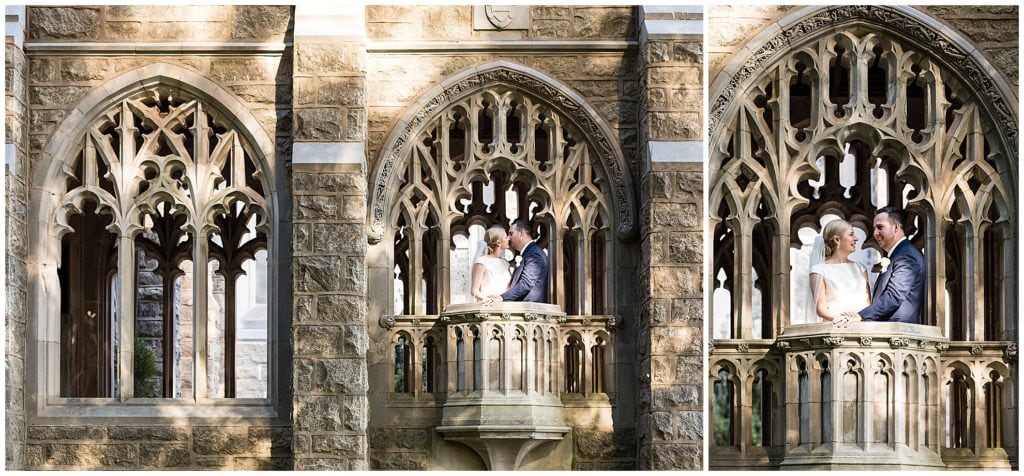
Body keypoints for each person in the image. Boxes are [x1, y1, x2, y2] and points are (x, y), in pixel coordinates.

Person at [836, 207, 925, 325]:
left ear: (896, 227)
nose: (875, 233)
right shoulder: (898, 254)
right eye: (874, 228)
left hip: (897, 332)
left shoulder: (907, 256)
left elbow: (894, 295)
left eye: (880, 227)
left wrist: (861, 316)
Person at [805, 219, 871, 324]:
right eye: (851, 234)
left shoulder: (860, 268)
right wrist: (843, 319)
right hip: (835, 326)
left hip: (861, 326)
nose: (856, 239)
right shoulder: (818, 270)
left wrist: (858, 317)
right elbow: (821, 308)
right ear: (837, 240)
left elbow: (868, 304)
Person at [491, 219, 549, 303]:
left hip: (530, 309)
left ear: (521, 233)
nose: (509, 238)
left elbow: (526, 283)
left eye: (511, 234)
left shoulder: (534, 254)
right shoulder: (529, 252)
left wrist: (502, 297)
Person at [470, 226, 512, 302]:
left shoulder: (505, 263)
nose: (509, 238)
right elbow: (474, 291)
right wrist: (490, 300)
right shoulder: (481, 262)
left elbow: (509, 287)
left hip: (505, 305)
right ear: (498, 243)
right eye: (506, 237)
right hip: (489, 306)